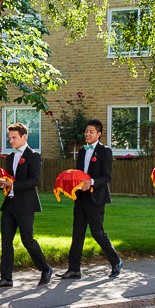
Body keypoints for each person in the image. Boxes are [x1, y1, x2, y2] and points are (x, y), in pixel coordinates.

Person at [0, 123, 53, 288]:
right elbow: (9, 180)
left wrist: (11, 184)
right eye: (9, 138)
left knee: (27, 240)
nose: (11, 141)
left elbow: (34, 181)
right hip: (9, 204)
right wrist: (1, 184)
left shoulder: (33, 156)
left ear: (24, 137)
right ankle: (6, 278)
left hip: (26, 204)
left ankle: (45, 268)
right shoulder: (10, 157)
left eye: (14, 137)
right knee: (6, 242)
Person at [57, 119, 123, 279]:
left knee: (97, 232)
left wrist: (91, 182)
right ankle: (74, 269)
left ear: (99, 134)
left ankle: (116, 261)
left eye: (91, 132)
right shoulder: (81, 151)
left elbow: (107, 177)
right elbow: (79, 173)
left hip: (96, 198)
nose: (87, 134)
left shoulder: (105, 151)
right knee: (77, 232)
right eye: (86, 131)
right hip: (81, 198)